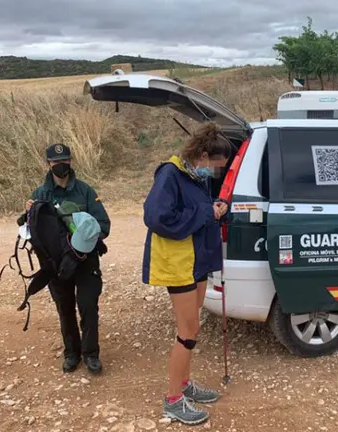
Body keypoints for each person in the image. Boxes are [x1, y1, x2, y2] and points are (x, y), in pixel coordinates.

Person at [142, 122, 231, 425]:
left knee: (192, 329)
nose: (217, 171)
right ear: (204, 156)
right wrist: (208, 212)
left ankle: (184, 384)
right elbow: (157, 217)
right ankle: (172, 400)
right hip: (178, 264)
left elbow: (197, 211)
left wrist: (214, 207)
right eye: (217, 165)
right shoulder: (170, 174)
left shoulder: (195, 177)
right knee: (187, 332)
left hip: (198, 261)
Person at [26, 143, 111, 374]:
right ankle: (71, 353)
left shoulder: (85, 191)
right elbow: (30, 231)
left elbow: (104, 225)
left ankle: (91, 354)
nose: (60, 165)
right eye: (55, 162)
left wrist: (84, 235)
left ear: (71, 161)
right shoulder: (39, 195)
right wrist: (29, 214)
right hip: (55, 264)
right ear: (48, 164)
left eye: (64, 161)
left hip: (85, 260)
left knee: (88, 306)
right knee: (64, 308)